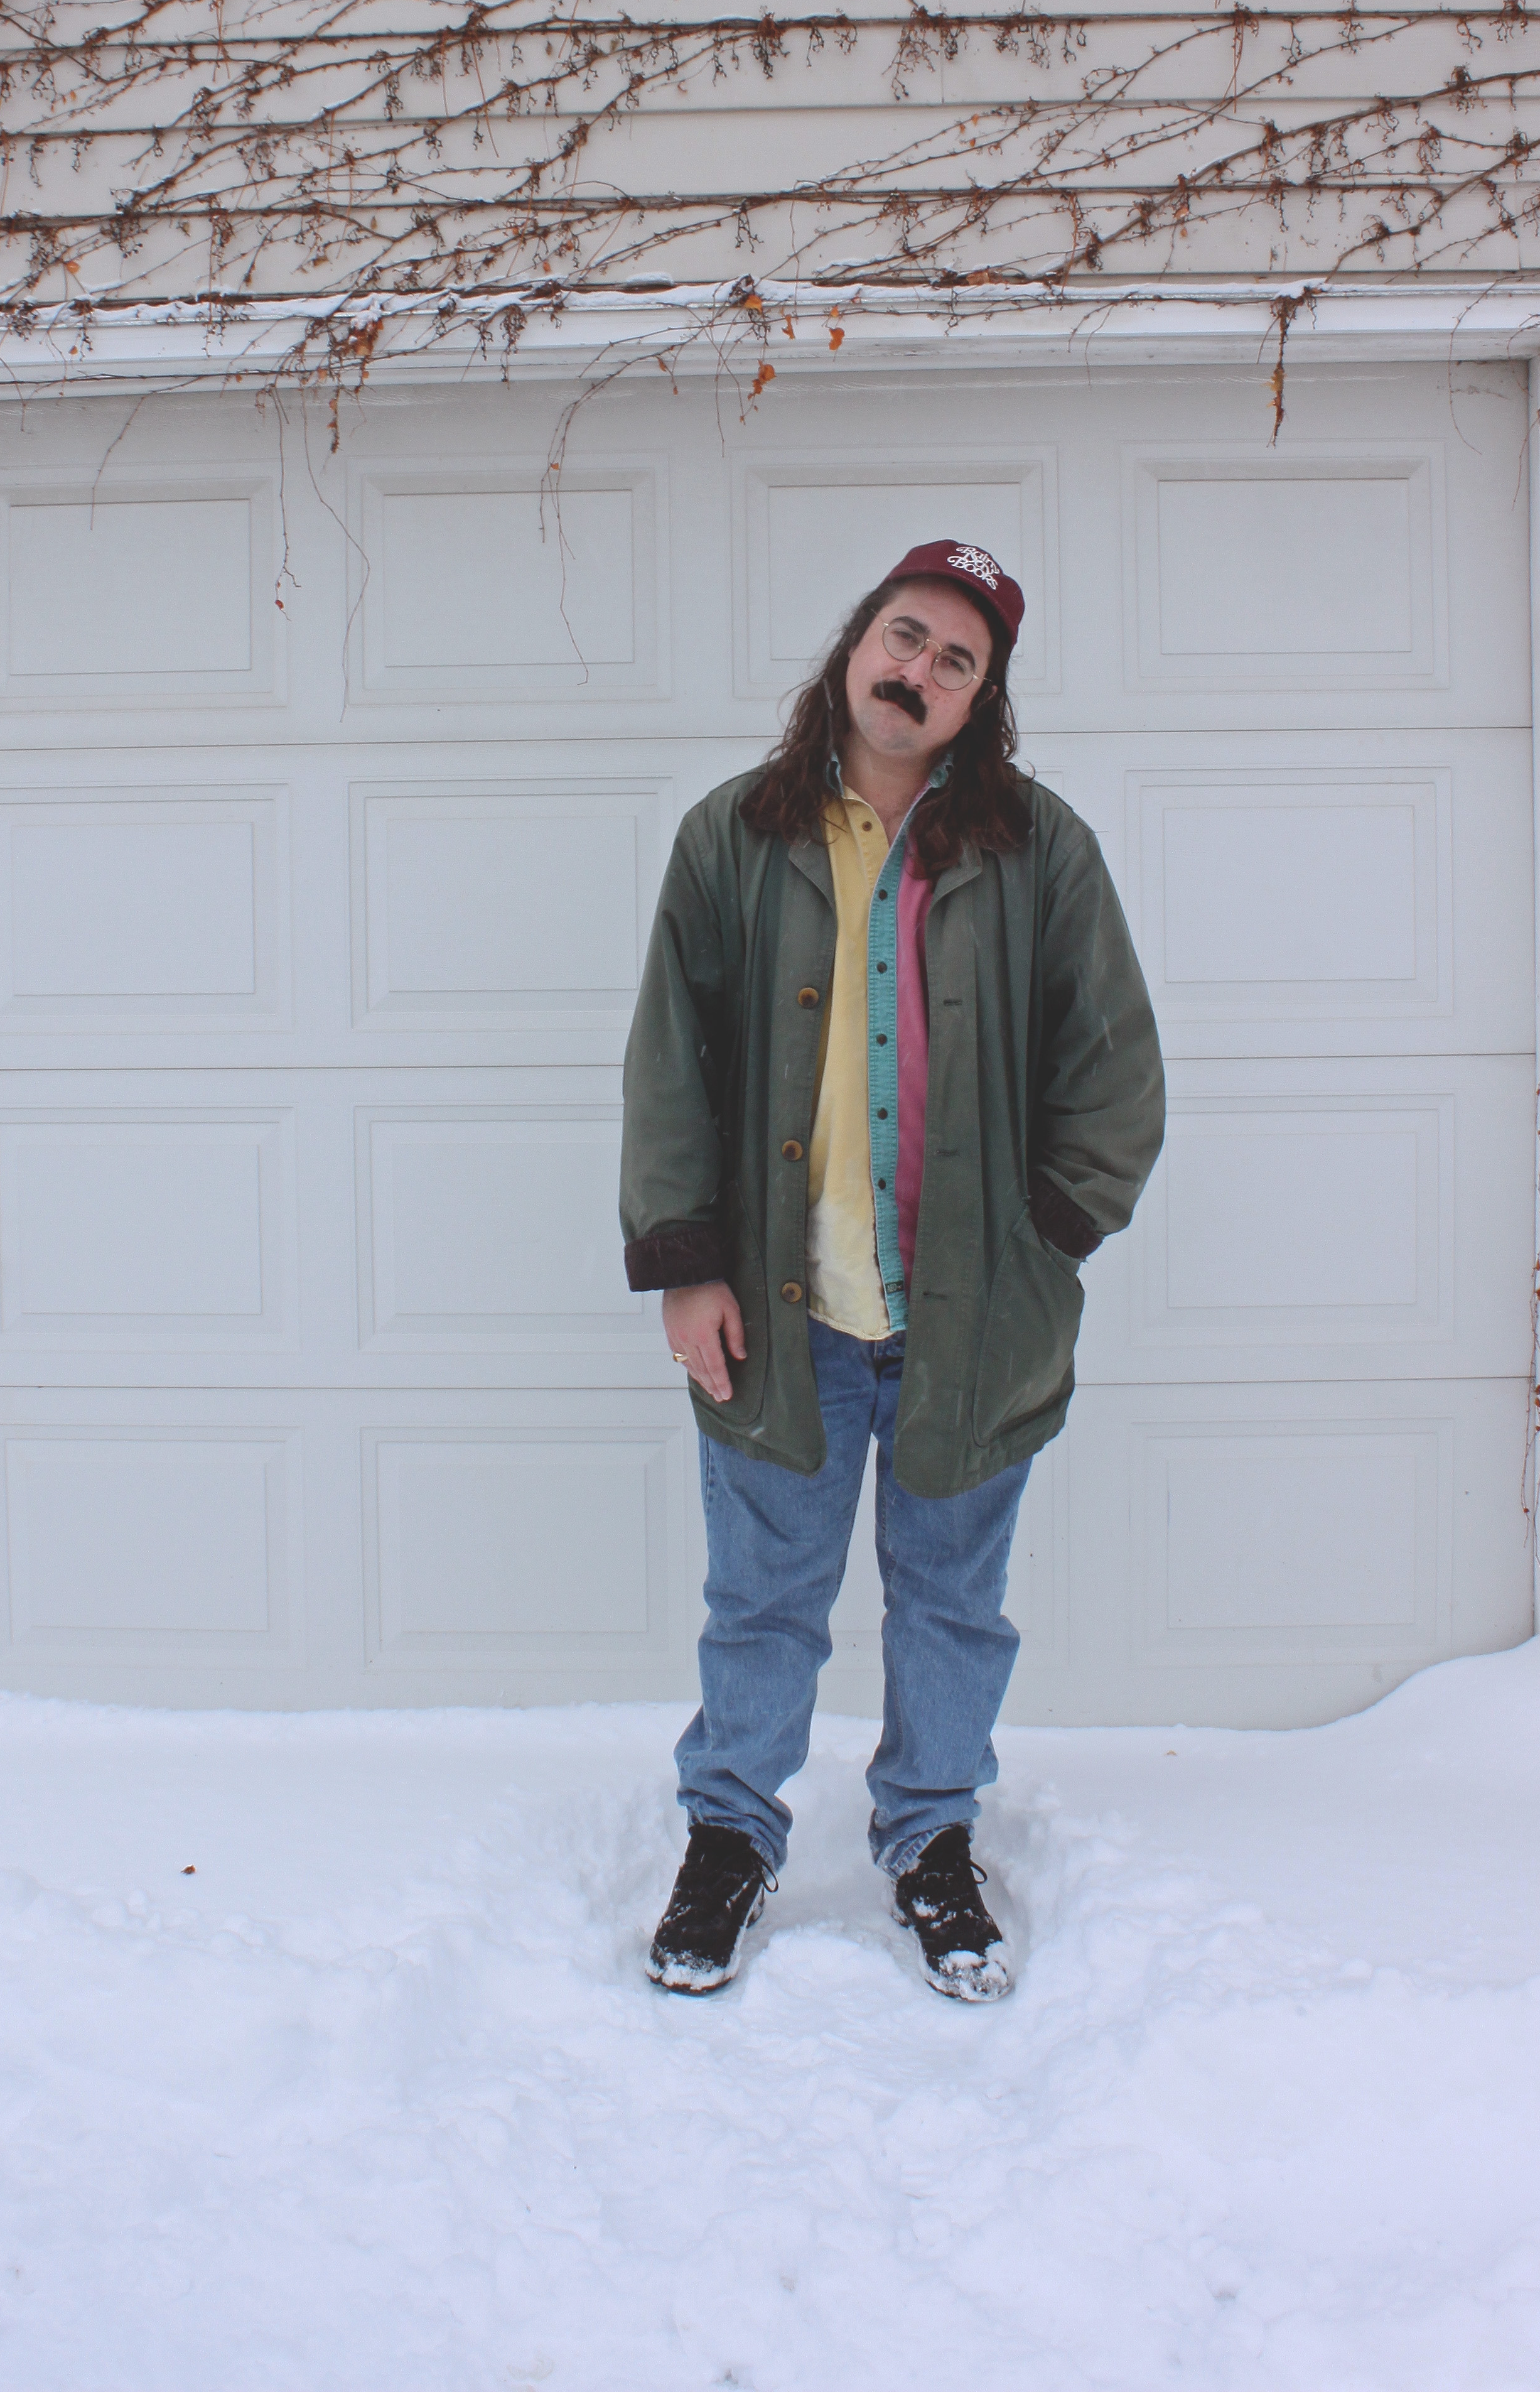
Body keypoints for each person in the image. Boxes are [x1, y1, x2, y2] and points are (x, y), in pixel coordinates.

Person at [619, 540, 1164, 2001]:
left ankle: (930, 1837)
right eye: (906, 636)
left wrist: (1042, 1241)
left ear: (981, 701)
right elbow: (671, 1063)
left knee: (952, 1607)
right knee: (762, 1603)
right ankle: (731, 1836)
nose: (918, 672)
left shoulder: (1040, 851)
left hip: (969, 1318)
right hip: (779, 1312)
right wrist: (685, 1262)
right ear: (857, 641)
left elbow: (1116, 1068)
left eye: (956, 662)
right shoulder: (734, 837)